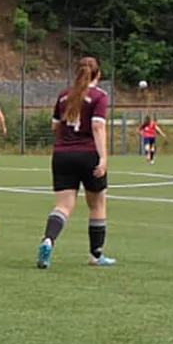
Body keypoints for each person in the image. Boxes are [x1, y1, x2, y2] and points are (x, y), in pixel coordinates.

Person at [35, 56, 113, 269]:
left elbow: (55, 127)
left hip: (62, 155)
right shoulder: (100, 96)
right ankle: (96, 255)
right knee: (97, 203)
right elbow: (98, 127)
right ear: (98, 74)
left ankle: (48, 240)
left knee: (63, 206)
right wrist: (103, 157)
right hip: (88, 154)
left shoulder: (63, 96)